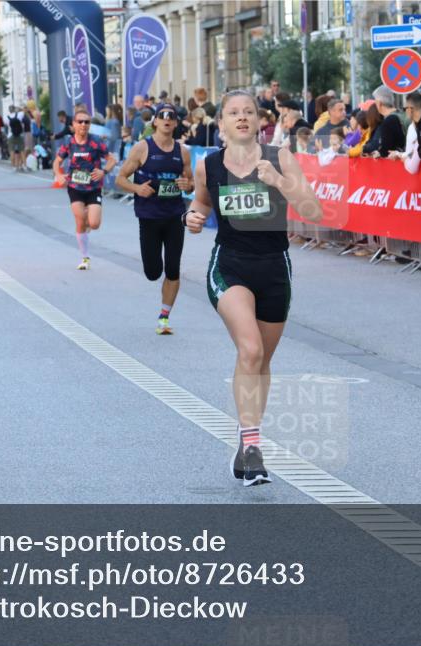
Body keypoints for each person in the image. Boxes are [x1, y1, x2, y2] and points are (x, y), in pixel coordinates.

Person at [184, 90, 323, 486]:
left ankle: (247, 437)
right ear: (222, 123)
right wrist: (191, 218)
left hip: (274, 267)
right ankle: (252, 446)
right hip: (229, 265)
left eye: (248, 112)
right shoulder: (209, 164)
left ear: (259, 121)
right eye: (233, 113)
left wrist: (279, 181)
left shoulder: (280, 156)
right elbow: (201, 205)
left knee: (260, 363)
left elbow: (314, 210)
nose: (242, 117)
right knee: (250, 349)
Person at [116, 103, 194, 334]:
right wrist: (137, 189)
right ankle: (158, 290)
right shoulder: (142, 148)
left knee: (173, 269)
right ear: (156, 122)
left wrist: (186, 184)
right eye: (163, 116)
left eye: (172, 117)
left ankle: (164, 317)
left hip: (174, 216)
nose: (168, 120)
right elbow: (120, 178)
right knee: (153, 272)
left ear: (176, 123)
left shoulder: (183, 152)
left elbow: (190, 183)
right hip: (149, 217)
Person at [52, 109, 117, 270]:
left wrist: (104, 171)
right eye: (80, 121)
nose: (83, 125)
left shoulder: (96, 142)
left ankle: (88, 222)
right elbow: (57, 162)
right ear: (73, 124)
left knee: (94, 224)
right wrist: (58, 175)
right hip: (75, 187)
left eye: (87, 122)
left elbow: (111, 159)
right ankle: (85, 257)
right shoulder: (69, 143)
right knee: (80, 219)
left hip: (94, 187)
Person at [391, 91, 421, 166]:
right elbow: (420, 151)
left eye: (404, 108)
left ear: (410, 108)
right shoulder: (420, 122)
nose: (405, 111)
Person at [368, 86, 406, 157]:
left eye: (375, 102)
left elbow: (387, 149)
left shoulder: (389, 121)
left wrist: (380, 153)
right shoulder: (403, 114)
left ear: (379, 103)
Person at [7, 106, 25, 171]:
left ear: (9, 110)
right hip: (19, 135)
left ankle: (14, 166)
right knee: (22, 150)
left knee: (12, 151)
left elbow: (6, 124)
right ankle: (24, 165)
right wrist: (18, 109)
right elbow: (23, 111)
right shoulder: (19, 115)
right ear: (14, 109)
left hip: (10, 135)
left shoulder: (6, 117)